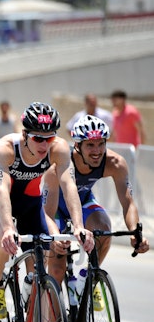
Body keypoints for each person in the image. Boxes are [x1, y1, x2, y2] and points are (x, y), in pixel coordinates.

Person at [0, 102, 94, 322]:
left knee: (42, 269)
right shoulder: (5, 148)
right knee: (4, 239)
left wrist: (78, 225)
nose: (44, 144)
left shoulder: (59, 148)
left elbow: (69, 186)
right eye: (38, 138)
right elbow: (1, 191)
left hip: (31, 206)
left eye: (49, 138)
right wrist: (8, 228)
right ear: (24, 135)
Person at [43, 115, 149, 295]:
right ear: (77, 145)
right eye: (90, 145)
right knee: (57, 271)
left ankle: (89, 279)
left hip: (83, 201)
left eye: (101, 144)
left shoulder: (115, 163)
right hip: (56, 209)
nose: (97, 151)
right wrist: (54, 235)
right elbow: (46, 212)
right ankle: (52, 312)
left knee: (103, 229)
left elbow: (128, 202)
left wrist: (135, 233)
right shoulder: (59, 165)